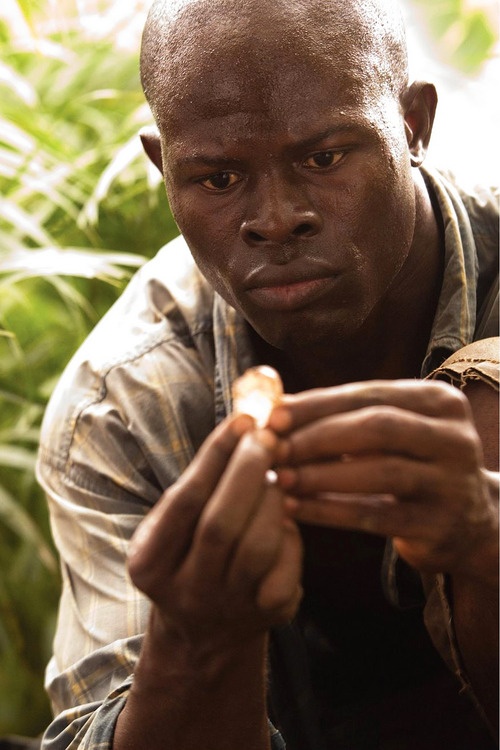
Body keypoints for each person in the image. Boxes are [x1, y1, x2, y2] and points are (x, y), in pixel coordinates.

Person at [36, 0, 499, 747]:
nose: (276, 219)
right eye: (219, 179)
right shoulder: (122, 404)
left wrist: (488, 540)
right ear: (164, 169)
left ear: (413, 124)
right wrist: (195, 643)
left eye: (323, 158)